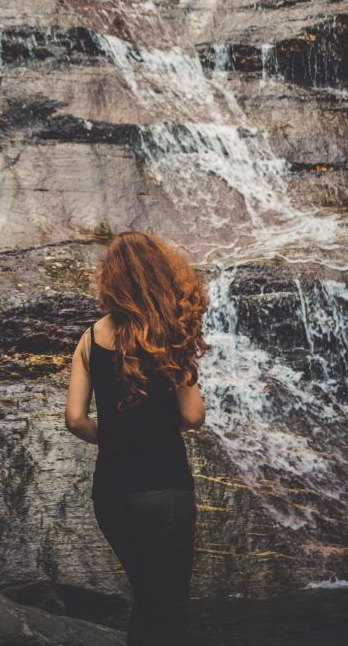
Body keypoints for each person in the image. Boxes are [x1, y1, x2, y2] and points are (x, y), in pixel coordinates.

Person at [65, 229, 209, 646]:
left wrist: (115, 437)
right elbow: (193, 415)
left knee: (146, 599)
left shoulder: (89, 339)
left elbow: (75, 419)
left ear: (110, 279)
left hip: (111, 494)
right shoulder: (170, 334)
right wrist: (157, 428)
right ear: (159, 274)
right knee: (168, 610)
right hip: (165, 490)